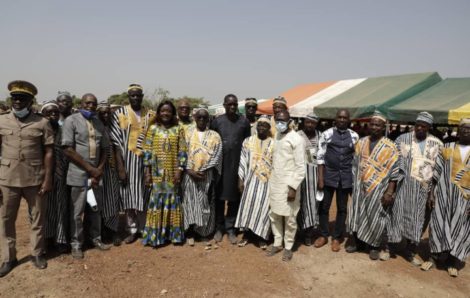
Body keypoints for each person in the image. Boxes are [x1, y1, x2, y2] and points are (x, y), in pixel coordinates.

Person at [0, 81, 54, 277]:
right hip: (7, 179)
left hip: (34, 179)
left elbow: (49, 151)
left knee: (37, 219)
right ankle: (9, 257)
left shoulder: (42, 123)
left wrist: (47, 179)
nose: (17, 101)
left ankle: (37, 253)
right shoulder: (2, 121)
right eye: (14, 98)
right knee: (6, 220)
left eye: (22, 98)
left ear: (31, 101)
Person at [388, 112, 443, 266]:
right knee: (396, 215)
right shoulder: (402, 139)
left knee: (418, 219)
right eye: (417, 124)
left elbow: (437, 172)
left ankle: (410, 251)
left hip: (423, 190)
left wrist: (432, 194)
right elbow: (394, 163)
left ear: (429, 128)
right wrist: (391, 188)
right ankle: (390, 247)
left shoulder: (437, 144)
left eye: (423, 126)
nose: (419, 128)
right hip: (403, 186)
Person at [62, 93, 111, 259]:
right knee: (77, 211)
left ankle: (95, 238)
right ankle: (76, 243)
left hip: (96, 176)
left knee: (94, 208)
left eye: (93, 104)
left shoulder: (98, 122)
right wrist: (90, 169)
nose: (91, 106)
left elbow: (105, 148)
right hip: (78, 175)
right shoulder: (71, 121)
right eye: (88, 103)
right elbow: (68, 149)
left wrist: (99, 169)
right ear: (81, 103)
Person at [346, 112, 399, 260]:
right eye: (372, 124)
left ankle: (374, 246)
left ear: (383, 127)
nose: (374, 127)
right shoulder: (361, 142)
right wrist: (354, 185)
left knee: (375, 217)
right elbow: (354, 165)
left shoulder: (391, 146)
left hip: (378, 188)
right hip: (360, 186)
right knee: (357, 214)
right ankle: (357, 243)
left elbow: (395, 172)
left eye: (378, 125)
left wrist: (389, 191)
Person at [421, 118, 470, 277]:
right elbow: (436, 174)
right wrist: (431, 193)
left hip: (464, 198)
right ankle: (434, 257)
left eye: (469, 128)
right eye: (463, 128)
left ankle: (452, 261)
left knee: (459, 227)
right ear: (458, 129)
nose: (466, 131)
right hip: (442, 194)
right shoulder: (447, 147)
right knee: (438, 224)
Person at [110, 84, 156, 244]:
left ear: (142, 96)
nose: (136, 98)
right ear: (128, 96)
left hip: (146, 163)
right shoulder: (120, 113)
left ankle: (144, 229)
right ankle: (132, 229)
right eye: (133, 95)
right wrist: (120, 167)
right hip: (127, 162)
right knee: (129, 197)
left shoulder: (150, 115)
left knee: (145, 196)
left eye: (138, 95)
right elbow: (116, 142)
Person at [142, 100, 187, 247]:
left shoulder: (178, 129)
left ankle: (172, 235)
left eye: (168, 111)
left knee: (173, 201)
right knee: (156, 202)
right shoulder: (153, 129)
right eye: (162, 111)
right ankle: (156, 236)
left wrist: (180, 171)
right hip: (156, 174)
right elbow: (147, 152)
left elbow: (183, 151)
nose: (165, 113)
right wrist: (147, 173)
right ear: (158, 113)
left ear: (173, 113)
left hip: (172, 173)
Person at [315, 109, 359, 252]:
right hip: (328, 176)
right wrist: (320, 178)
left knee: (342, 208)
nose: (341, 120)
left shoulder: (354, 136)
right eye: (339, 117)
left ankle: (336, 237)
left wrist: (354, 179)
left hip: (345, 177)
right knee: (324, 207)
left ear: (348, 120)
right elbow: (320, 157)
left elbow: (356, 159)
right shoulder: (326, 134)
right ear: (335, 119)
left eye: (344, 118)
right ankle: (323, 235)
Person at [210, 94, 251, 244]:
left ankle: (231, 228)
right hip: (220, 166)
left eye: (234, 104)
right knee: (219, 199)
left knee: (234, 199)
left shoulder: (244, 122)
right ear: (224, 105)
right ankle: (219, 228)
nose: (232, 107)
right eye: (229, 104)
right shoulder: (217, 121)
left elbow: (247, 144)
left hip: (237, 166)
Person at [266, 110, 305, 261]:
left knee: (290, 217)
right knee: (274, 214)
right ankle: (277, 242)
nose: (280, 123)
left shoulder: (296, 139)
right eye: (278, 120)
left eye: (283, 120)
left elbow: (301, 167)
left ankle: (288, 246)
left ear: (290, 121)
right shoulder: (276, 135)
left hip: (289, 184)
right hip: (275, 182)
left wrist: (293, 187)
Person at [181, 107, 222, 246]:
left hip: (207, 175)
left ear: (209, 119)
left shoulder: (215, 136)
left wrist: (204, 170)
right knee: (190, 204)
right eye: (199, 117)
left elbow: (217, 156)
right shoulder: (187, 133)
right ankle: (190, 233)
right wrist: (190, 170)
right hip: (189, 174)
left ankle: (203, 232)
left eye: (205, 118)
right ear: (195, 118)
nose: (202, 120)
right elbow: (181, 153)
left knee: (205, 203)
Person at [236, 116, 274, 249]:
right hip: (250, 181)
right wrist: (240, 180)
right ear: (256, 127)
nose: (262, 127)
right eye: (260, 124)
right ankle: (247, 235)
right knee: (248, 206)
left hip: (266, 183)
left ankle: (261, 237)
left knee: (264, 209)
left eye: (265, 125)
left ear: (269, 128)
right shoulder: (248, 141)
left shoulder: (274, 143)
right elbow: (243, 160)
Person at [40, 101, 70, 253]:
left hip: (61, 175)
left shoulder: (63, 130)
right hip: (43, 176)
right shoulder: (40, 131)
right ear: (43, 115)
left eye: (56, 113)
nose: (53, 115)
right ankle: (46, 240)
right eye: (49, 113)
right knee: (45, 210)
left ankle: (60, 239)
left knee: (60, 207)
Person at [97, 101, 122, 246]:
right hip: (97, 169)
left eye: (108, 113)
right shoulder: (94, 127)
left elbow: (118, 148)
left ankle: (113, 230)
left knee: (112, 200)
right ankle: (99, 231)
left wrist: (120, 167)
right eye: (103, 113)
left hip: (111, 170)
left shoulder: (114, 128)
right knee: (96, 202)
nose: (106, 115)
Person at [297, 113, 322, 246]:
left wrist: (321, 178)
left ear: (316, 124)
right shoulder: (297, 135)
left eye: (312, 122)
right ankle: (297, 231)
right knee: (299, 202)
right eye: (307, 122)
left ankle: (308, 232)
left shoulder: (320, 136)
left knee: (312, 204)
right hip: (300, 174)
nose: (310, 125)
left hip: (315, 174)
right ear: (304, 122)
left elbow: (323, 157)